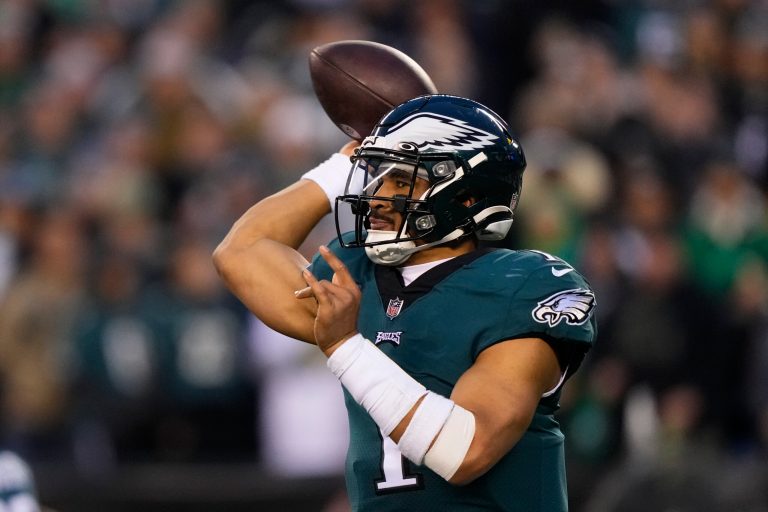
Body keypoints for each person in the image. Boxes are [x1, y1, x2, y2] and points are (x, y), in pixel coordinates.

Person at [214, 94, 597, 511]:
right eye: (376, 176)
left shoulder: (521, 286)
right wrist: (340, 166)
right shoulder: (356, 273)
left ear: (466, 197)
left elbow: (466, 450)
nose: (377, 196)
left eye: (400, 181)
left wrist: (346, 346)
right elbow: (241, 251)